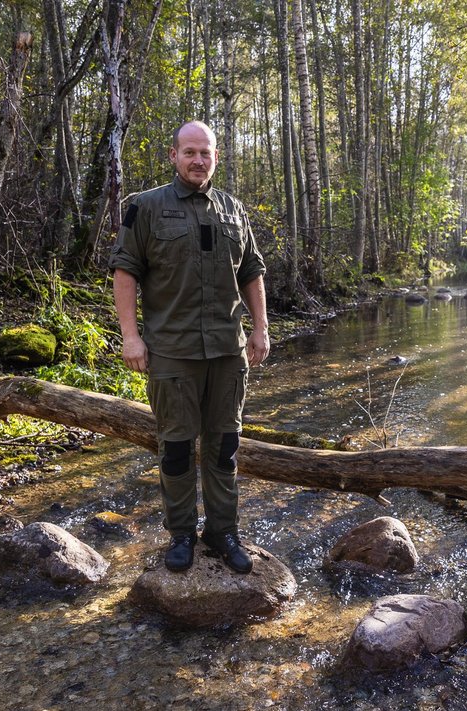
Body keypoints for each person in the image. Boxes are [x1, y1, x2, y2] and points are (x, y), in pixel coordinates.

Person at [109, 120, 269, 574]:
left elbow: (252, 272)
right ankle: (181, 534)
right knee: (177, 449)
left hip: (226, 351)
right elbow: (125, 272)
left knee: (224, 449)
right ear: (173, 155)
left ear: (216, 156)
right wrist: (131, 336)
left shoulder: (234, 211)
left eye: (206, 152)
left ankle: (222, 532)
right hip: (172, 351)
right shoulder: (145, 207)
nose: (199, 160)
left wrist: (260, 329)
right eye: (190, 152)